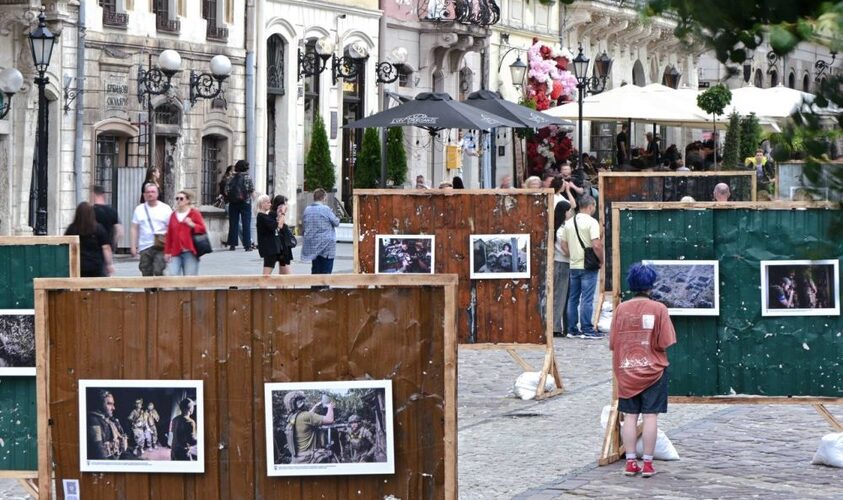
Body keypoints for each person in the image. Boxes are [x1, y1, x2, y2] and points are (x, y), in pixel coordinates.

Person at [610, 263, 677, 478]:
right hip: (653, 371)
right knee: (650, 417)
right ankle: (648, 464)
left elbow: (613, 343)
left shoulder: (621, 309)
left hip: (626, 370)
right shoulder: (659, 309)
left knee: (629, 417)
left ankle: (630, 462)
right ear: (651, 285)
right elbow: (666, 342)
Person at [561, 195, 603, 338]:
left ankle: (572, 329)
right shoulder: (592, 222)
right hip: (588, 265)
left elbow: (563, 245)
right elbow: (596, 245)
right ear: (590, 206)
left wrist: (573, 255)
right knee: (587, 298)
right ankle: (587, 329)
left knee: (573, 298)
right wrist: (601, 260)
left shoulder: (569, 223)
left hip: (574, 265)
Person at [131, 182, 173, 276]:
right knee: (146, 271)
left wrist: (170, 248)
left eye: (153, 192)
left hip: (161, 245)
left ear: (157, 194)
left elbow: (171, 228)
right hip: (144, 246)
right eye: (148, 192)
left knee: (158, 269)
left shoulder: (165, 208)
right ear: (144, 194)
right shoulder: (139, 209)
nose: (150, 194)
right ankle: (150, 286)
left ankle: (159, 285)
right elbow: (134, 228)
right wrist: (133, 246)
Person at [164, 190, 207, 276]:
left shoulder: (194, 213)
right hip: (175, 251)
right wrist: (167, 251)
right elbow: (169, 234)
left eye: (181, 198)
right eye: (177, 198)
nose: (178, 201)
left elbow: (203, 229)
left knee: (189, 278)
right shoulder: (173, 215)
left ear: (188, 200)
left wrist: (192, 224)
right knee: (172, 276)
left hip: (190, 251)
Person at [284, 391, 335, 463]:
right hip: (308, 458)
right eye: (301, 400)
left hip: (297, 459)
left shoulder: (292, 418)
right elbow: (330, 420)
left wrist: (315, 406)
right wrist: (330, 406)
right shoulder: (306, 416)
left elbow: (306, 417)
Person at [65, 202, 114, 277]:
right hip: (95, 266)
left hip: (77, 265)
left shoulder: (72, 229)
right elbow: (106, 248)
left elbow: (65, 246)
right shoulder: (98, 229)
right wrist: (109, 264)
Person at [553, 187, 576, 336]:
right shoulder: (561, 229)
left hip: (563, 263)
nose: (571, 213)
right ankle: (555, 327)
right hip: (562, 263)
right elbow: (564, 248)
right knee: (560, 296)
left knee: (565, 296)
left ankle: (566, 326)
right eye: (569, 211)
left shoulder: (560, 227)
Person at [301, 188, 341, 275]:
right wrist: (335, 215)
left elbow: (304, 226)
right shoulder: (326, 209)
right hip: (326, 246)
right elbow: (336, 222)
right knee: (326, 272)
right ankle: (324, 284)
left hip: (313, 245)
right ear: (324, 198)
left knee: (315, 270)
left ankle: (315, 284)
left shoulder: (307, 209)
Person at [257, 194, 294, 275]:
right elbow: (279, 226)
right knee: (266, 276)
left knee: (284, 274)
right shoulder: (263, 217)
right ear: (262, 204)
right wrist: (283, 213)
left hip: (279, 249)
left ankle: (281, 283)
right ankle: (262, 285)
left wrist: (280, 215)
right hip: (270, 249)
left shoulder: (266, 216)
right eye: (268, 202)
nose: (270, 204)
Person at [87, 390, 129, 460]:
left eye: (113, 404)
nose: (113, 408)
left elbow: (123, 446)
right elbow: (99, 452)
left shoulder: (113, 421)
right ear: (100, 404)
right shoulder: (94, 420)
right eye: (109, 404)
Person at [225, 159, 255, 251]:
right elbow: (251, 190)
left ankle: (232, 245)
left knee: (233, 223)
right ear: (246, 168)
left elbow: (226, 191)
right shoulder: (247, 177)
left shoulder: (231, 177)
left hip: (233, 203)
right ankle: (247, 245)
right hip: (245, 202)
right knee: (246, 224)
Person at [92, 185, 122, 252]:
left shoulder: (90, 211)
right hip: (107, 248)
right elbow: (120, 231)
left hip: (93, 250)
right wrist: (113, 244)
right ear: (103, 195)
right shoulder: (112, 211)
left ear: (93, 195)